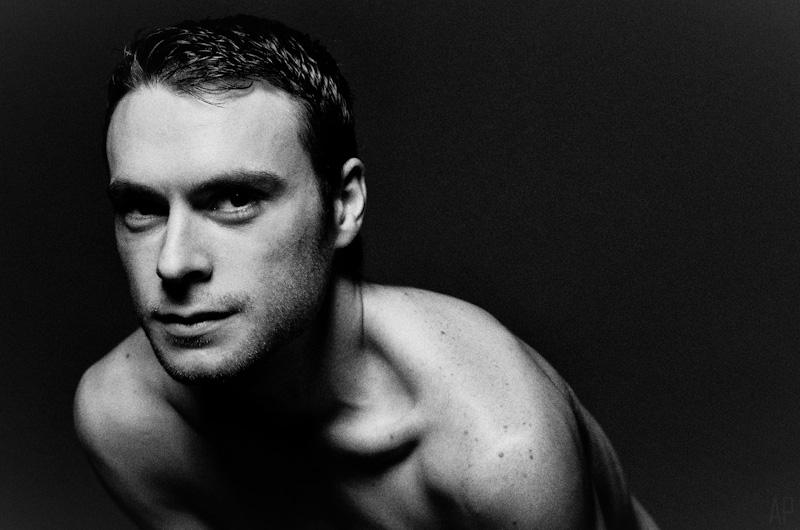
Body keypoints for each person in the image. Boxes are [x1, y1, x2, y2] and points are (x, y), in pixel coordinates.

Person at [73, 14, 658, 529]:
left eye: (235, 199)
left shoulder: (497, 449)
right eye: (142, 208)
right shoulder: (126, 422)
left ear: (344, 204)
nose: (173, 262)